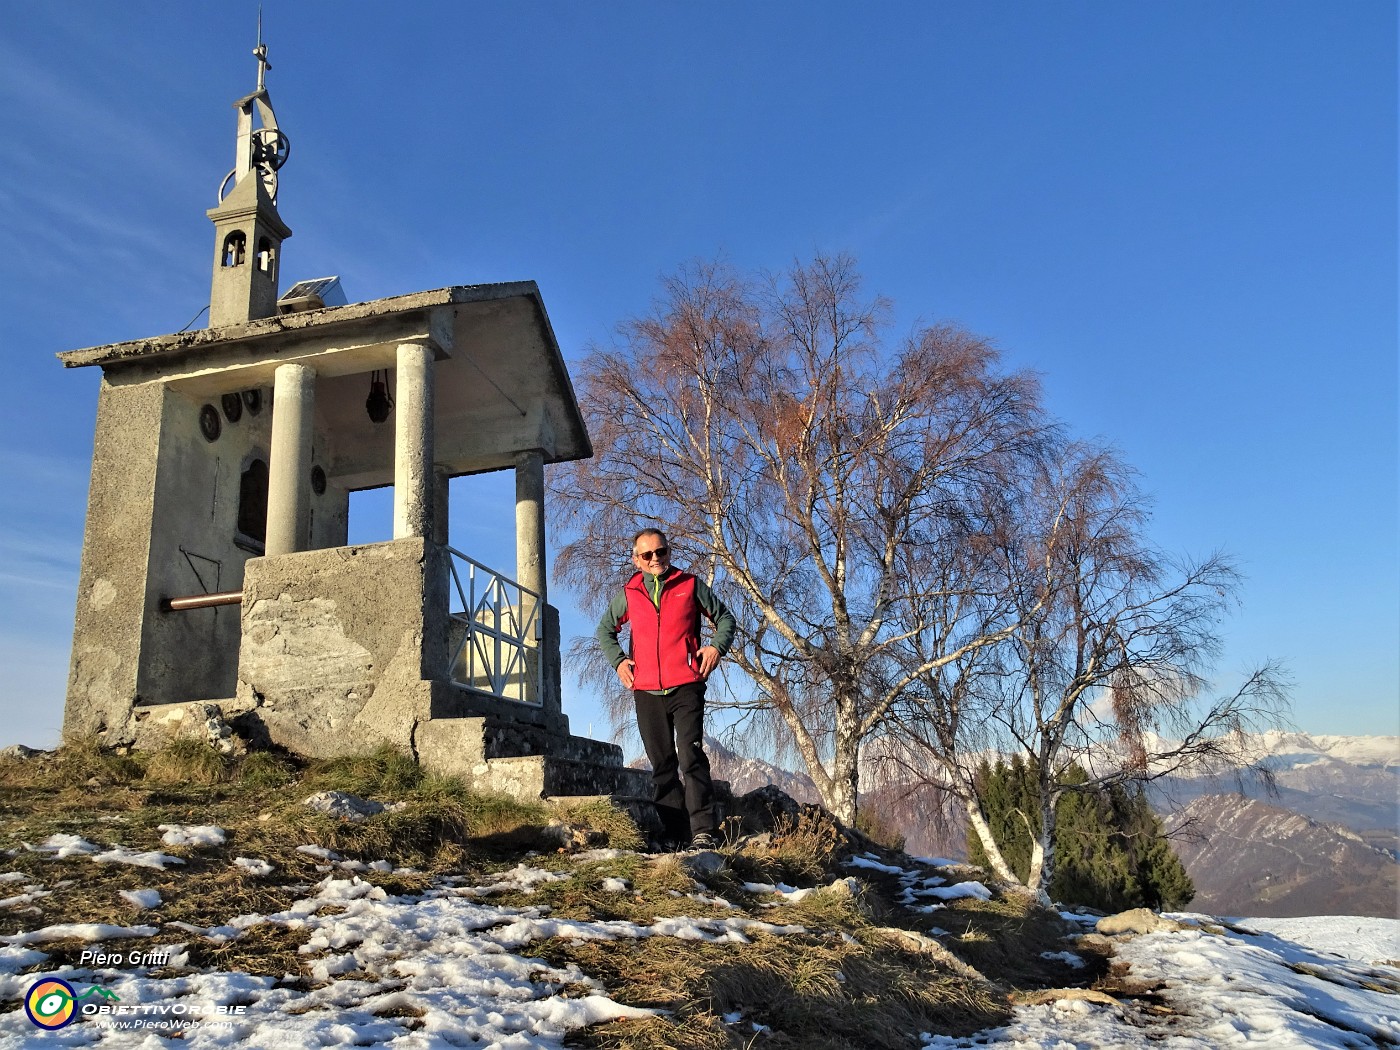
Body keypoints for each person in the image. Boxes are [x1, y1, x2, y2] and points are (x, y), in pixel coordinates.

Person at [596, 528, 736, 850]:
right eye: (647, 555)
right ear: (637, 560)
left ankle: (704, 832)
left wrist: (715, 648)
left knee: (690, 755)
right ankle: (676, 835)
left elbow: (725, 619)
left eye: (661, 552)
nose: (655, 559)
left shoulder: (689, 585)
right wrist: (619, 662)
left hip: (686, 685)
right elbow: (605, 630)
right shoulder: (630, 593)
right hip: (645, 690)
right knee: (662, 765)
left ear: (668, 553)